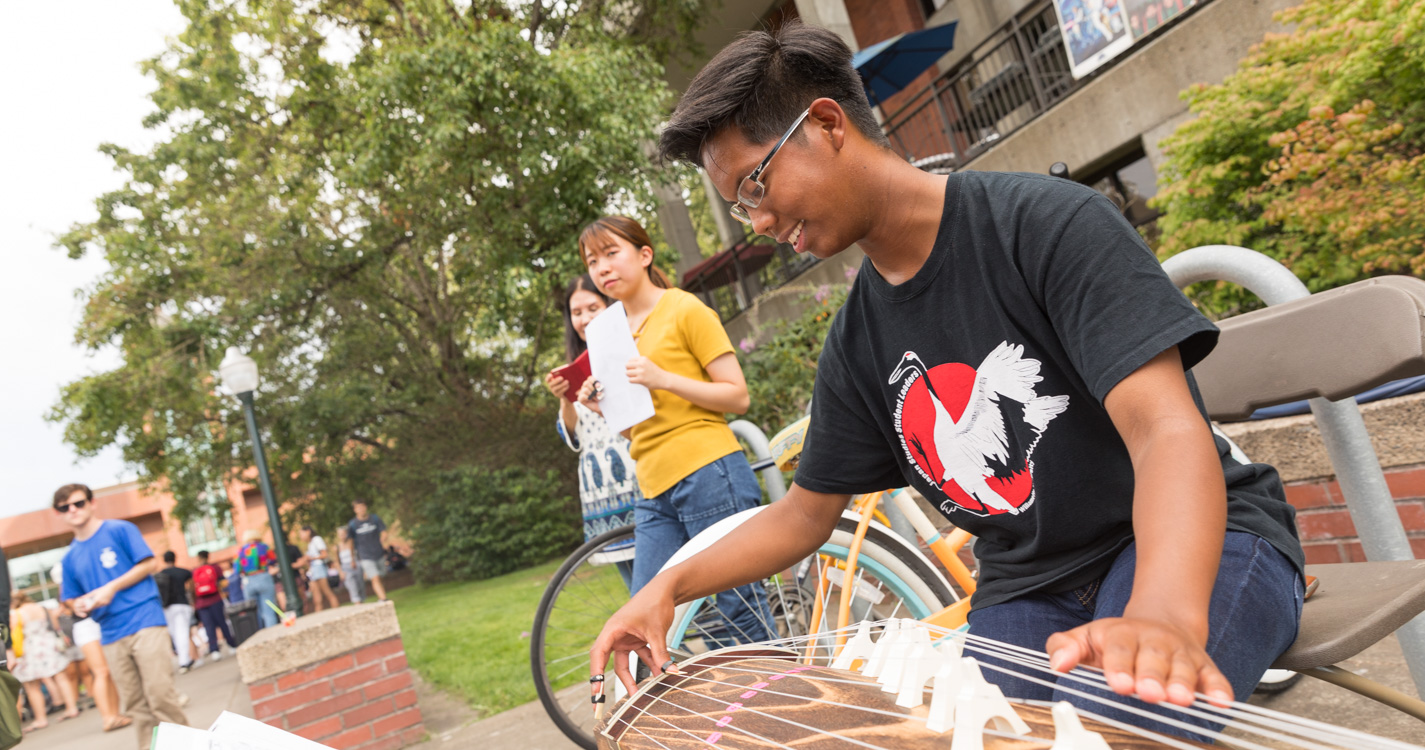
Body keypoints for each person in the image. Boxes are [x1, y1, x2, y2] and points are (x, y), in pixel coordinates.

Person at [590, 22, 1307, 741]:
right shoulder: (858, 340)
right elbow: (801, 517)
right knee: (963, 734)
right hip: (1029, 587)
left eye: (755, 184)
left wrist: (1162, 615)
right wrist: (666, 588)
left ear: (827, 125)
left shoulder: (1044, 226)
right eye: (743, 208)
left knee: (1118, 724)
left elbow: (1163, 428)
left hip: (1184, 548)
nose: (761, 222)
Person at [576, 216, 774, 646]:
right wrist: (602, 408)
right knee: (644, 617)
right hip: (654, 486)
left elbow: (737, 397)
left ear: (644, 255)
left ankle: (776, 701)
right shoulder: (606, 335)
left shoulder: (684, 308)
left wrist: (663, 378)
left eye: (612, 253)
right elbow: (639, 431)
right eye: (593, 261)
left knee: (739, 610)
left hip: (709, 471)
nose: (602, 268)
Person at [57, 483, 190, 749]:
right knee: (136, 707)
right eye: (64, 507)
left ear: (92, 503)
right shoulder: (70, 557)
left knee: (160, 695)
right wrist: (79, 605)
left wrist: (112, 587)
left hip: (144, 618)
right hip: (110, 631)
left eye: (78, 503)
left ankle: (187, 745)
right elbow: (70, 598)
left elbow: (149, 563)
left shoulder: (119, 529)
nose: (72, 510)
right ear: (59, 513)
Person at [543, 274, 640, 587]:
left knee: (683, 590)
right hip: (603, 496)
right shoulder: (573, 367)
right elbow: (572, 436)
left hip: (640, 479)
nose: (584, 319)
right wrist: (564, 398)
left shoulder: (630, 349)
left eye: (592, 308)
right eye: (576, 313)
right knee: (635, 593)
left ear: (609, 306)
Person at [10, 592, 80, 732]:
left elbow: (12, 633)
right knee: (61, 677)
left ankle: (41, 719)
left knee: (32, 685)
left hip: (30, 648)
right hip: (48, 643)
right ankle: (72, 708)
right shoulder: (41, 607)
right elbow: (54, 625)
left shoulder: (16, 613)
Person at [191, 552, 236, 663]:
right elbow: (223, 582)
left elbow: (192, 589)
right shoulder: (215, 568)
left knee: (208, 626)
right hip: (215, 599)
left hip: (201, 603)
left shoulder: (195, 571)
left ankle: (214, 650)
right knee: (222, 623)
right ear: (207, 557)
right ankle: (231, 644)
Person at [153, 551, 195, 673]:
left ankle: (183, 659)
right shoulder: (183, 572)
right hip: (181, 605)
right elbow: (192, 586)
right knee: (181, 632)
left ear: (164, 560)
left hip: (167, 607)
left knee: (175, 633)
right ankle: (184, 661)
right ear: (175, 558)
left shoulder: (160, 574)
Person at [236, 530, 280, 629]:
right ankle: (272, 632)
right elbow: (273, 560)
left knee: (254, 612)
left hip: (249, 581)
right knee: (269, 609)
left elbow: (237, 569)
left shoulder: (241, 551)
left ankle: (258, 633)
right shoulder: (264, 547)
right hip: (264, 577)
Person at [347, 501, 389, 602]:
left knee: (381, 576)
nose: (361, 509)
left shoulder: (374, 518)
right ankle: (383, 599)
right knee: (375, 577)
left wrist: (382, 539)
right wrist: (352, 558)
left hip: (378, 553)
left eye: (363, 506)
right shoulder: (353, 524)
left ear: (366, 507)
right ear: (355, 510)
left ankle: (382, 595)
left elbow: (383, 532)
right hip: (364, 555)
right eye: (358, 507)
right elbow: (350, 542)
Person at [299, 526, 340, 612]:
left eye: (301, 533)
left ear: (308, 531)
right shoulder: (310, 544)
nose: (300, 536)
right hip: (314, 571)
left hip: (319, 568)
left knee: (327, 592)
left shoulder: (317, 539)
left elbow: (325, 554)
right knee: (316, 598)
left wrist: (311, 558)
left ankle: (337, 612)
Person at [335, 527, 364, 604]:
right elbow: (337, 561)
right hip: (346, 568)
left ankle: (361, 602)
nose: (343, 536)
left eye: (344, 534)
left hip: (356, 566)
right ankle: (357, 603)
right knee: (352, 586)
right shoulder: (337, 547)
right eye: (341, 535)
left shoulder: (352, 543)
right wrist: (340, 572)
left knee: (360, 586)